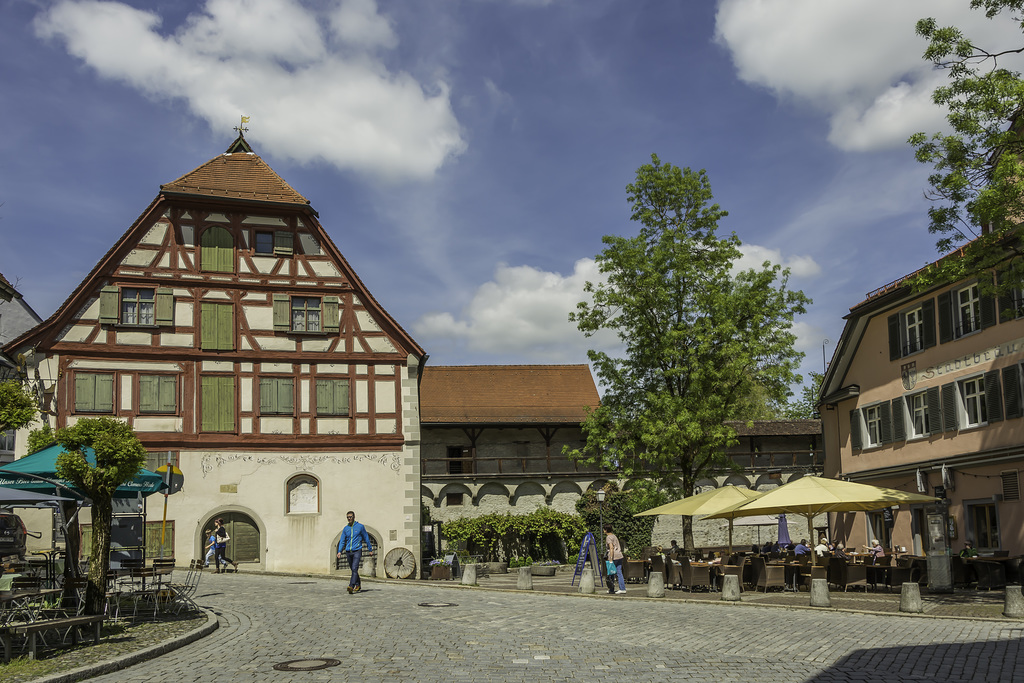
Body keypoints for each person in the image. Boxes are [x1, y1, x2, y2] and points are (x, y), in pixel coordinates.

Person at [337, 510, 374, 594]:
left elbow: (366, 537)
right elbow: (342, 541)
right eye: (348, 517)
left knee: (354, 568)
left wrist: (370, 549)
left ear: (354, 517)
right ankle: (358, 584)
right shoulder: (346, 529)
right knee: (353, 570)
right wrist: (339, 551)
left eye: (350, 517)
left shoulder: (360, 527)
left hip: (357, 550)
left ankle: (351, 585)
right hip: (348, 551)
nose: (349, 518)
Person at [603, 524, 626, 595]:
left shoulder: (608, 537)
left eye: (604, 529)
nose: (603, 531)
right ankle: (622, 588)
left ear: (606, 530)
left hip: (614, 556)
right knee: (619, 572)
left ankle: (611, 589)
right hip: (619, 555)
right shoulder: (614, 536)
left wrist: (610, 559)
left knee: (611, 573)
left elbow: (611, 548)